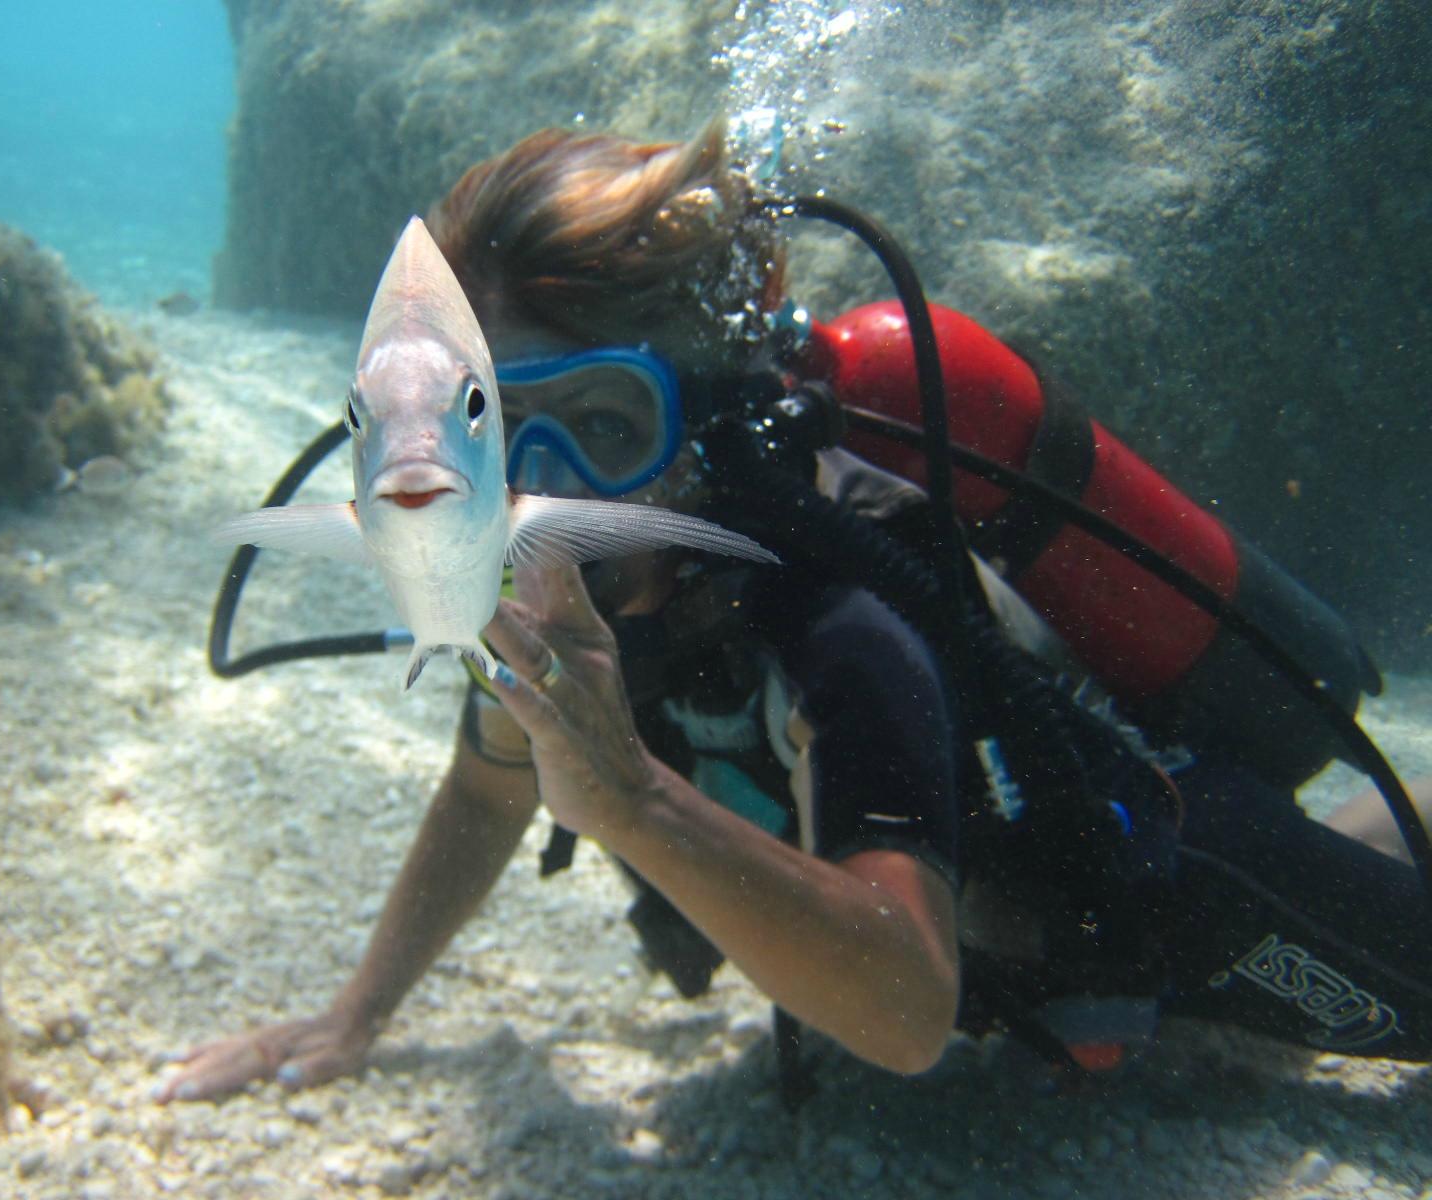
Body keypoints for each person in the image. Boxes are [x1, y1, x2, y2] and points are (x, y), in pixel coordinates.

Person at [157, 124, 1432, 1103]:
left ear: (709, 424)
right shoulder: (556, 597)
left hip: (1157, 888)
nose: (540, 495)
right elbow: (490, 787)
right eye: (497, 427)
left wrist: (633, 803)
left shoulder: (846, 621)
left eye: (605, 428)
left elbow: (904, 1005)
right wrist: (356, 1017)